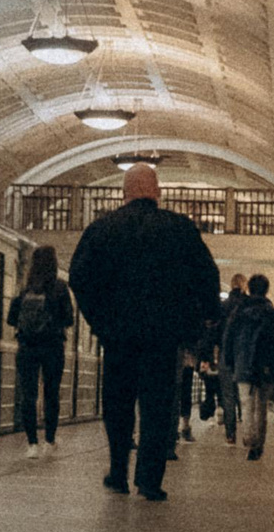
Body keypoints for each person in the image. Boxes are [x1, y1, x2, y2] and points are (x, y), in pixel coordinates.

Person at [68, 162, 221, 500]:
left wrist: (100, 320)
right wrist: (203, 319)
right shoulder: (179, 229)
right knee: (156, 405)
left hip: (118, 336)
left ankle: (118, 472)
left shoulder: (102, 229)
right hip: (163, 338)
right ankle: (150, 480)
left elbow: (79, 279)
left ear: (124, 193)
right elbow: (206, 277)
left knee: (118, 404)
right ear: (158, 193)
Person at [6, 244, 74, 458]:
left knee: (29, 395)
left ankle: (32, 444)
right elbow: (69, 320)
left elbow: (11, 319)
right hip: (52, 347)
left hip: (27, 347)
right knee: (51, 394)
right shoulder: (60, 287)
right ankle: (49, 441)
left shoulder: (25, 288)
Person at [219, 273, 274, 459]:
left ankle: (249, 438)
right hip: (266, 367)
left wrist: (229, 360)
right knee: (261, 405)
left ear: (249, 289)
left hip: (243, 364)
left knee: (246, 403)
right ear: (266, 290)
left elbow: (228, 338)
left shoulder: (238, 313)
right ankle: (257, 444)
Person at [218, 273, 248, 440]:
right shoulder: (248, 305)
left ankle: (230, 434)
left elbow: (214, 331)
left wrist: (208, 354)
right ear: (244, 285)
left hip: (225, 353)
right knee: (245, 395)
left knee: (228, 395)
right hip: (244, 356)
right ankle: (248, 433)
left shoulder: (223, 306)